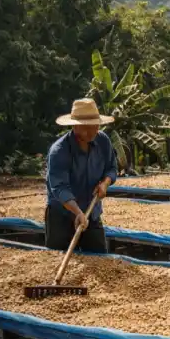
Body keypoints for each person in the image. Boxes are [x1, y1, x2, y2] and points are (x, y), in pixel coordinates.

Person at [45, 97, 117, 253]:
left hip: (92, 212)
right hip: (63, 215)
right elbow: (60, 188)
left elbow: (111, 168)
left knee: (99, 257)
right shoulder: (59, 151)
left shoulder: (103, 142)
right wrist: (77, 212)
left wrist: (105, 183)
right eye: (86, 127)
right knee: (56, 257)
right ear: (74, 126)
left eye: (95, 126)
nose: (91, 131)